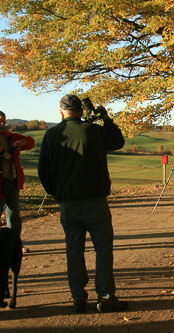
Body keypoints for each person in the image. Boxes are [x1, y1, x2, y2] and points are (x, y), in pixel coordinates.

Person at [38, 94, 128, 314]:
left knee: (74, 250)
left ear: (61, 112)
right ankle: (106, 297)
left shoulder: (50, 135)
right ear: (80, 111)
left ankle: (78, 298)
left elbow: (43, 171)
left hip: (67, 202)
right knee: (103, 249)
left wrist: (56, 192)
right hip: (95, 201)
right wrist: (105, 119)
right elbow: (118, 141)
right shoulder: (95, 131)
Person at [0, 111, 35, 252]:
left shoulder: (9, 136)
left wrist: (23, 142)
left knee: (14, 216)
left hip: (12, 182)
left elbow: (31, 142)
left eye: (4, 121)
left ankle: (14, 246)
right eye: (0, 121)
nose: (3, 124)